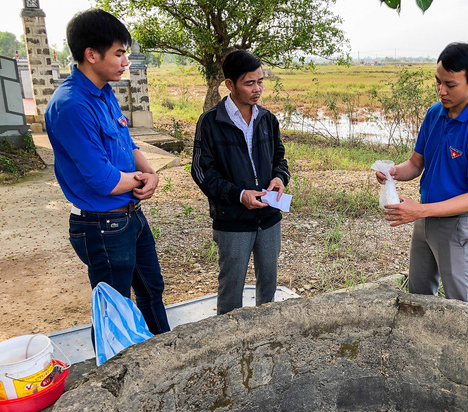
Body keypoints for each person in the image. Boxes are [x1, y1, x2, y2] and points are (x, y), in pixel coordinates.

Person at [45, 9, 169, 334]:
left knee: (152, 291)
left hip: (131, 217)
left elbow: (127, 142)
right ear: (91, 54)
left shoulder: (104, 93)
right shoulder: (72, 106)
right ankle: (117, 379)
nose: (125, 61)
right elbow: (103, 179)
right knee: (114, 309)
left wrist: (150, 173)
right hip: (102, 226)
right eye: (119, 53)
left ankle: (169, 357)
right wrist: (140, 181)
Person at [375, 42, 468, 303]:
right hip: (425, 219)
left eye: (450, 85)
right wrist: (393, 172)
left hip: (456, 225)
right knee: (418, 295)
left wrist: (419, 211)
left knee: (462, 303)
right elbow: (416, 164)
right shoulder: (435, 114)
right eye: (438, 82)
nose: (441, 91)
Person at [191, 50, 290, 315]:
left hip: (269, 218)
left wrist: (280, 179)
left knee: (268, 282)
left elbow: (280, 159)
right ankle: (227, 339)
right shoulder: (210, 123)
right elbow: (202, 173)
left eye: (260, 81)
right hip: (232, 220)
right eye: (249, 83)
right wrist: (239, 195)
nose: (257, 89)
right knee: (231, 287)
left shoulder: (267, 119)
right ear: (230, 84)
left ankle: (265, 332)